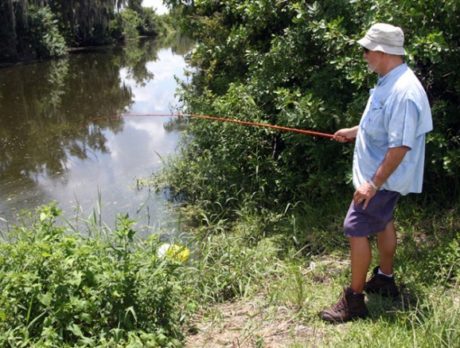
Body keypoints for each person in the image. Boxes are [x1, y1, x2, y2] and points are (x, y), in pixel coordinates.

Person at [320, 23, 433, 323]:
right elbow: (381, 125)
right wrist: (355, 132)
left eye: (366, 50)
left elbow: (400, 146)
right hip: (380, 176)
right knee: (383, 221)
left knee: (355, 227)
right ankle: (384, 278)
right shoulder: (388, 80)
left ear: (382, 52)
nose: (364, 55)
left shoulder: (404, 91)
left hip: (383, 178)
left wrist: (372, 184)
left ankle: (354, 301)